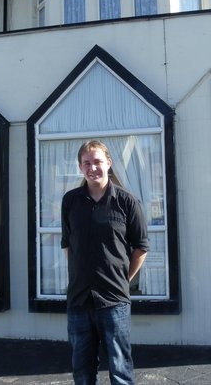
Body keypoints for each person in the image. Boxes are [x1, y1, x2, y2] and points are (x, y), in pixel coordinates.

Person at [61, 140, 149, 385]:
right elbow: (68, 245)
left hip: (114, 302)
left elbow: (141, 247)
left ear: (108, 163)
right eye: (86, 163)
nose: (93, 168)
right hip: (79, 302)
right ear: (80, 167)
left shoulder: (127, 201)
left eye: (97, 161)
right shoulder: (70, 201)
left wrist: (122, 279)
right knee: (82, 372)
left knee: (120, 371)